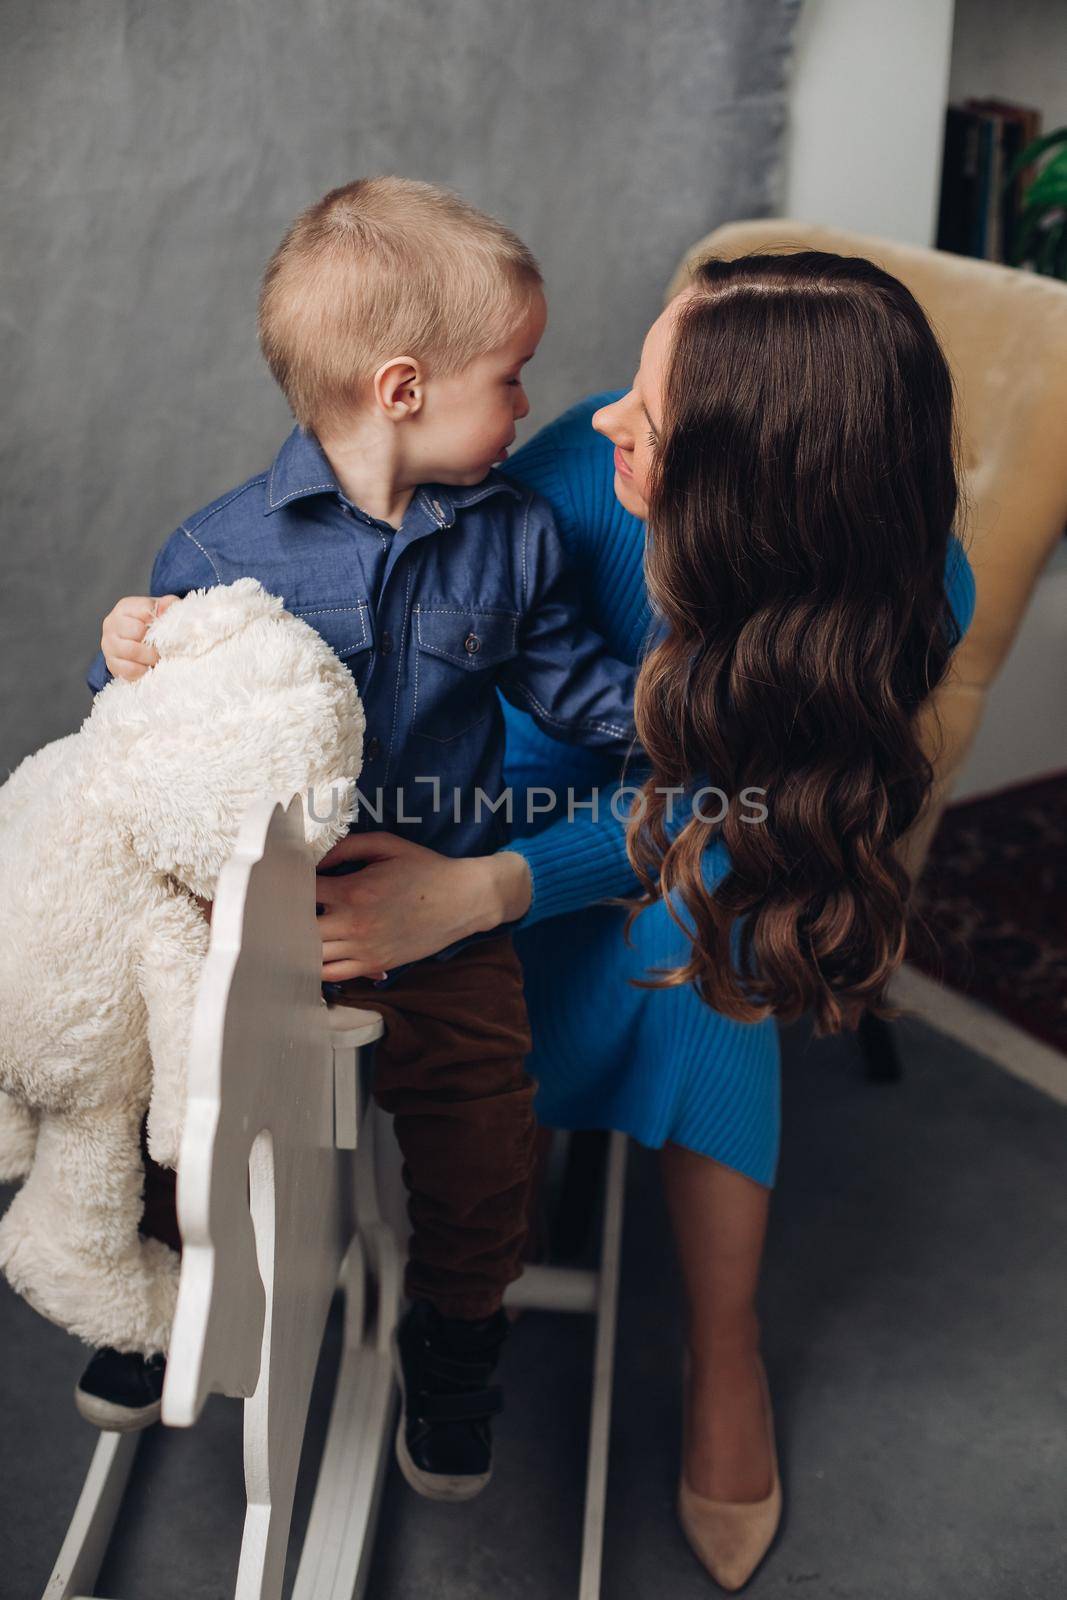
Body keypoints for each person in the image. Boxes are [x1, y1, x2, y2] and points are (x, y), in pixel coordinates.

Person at [294, 250, 977, 1589]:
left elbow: (746, 805)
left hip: (689, 842)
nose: (608, 413)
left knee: (706, 921)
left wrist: (484, 895)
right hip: (488, 785)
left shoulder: (908, 594)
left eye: (647, 415)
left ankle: (727, 1351)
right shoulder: (574, 467)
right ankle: (486, 1164)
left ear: (754, 488)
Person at [89, 176, 639, 1500]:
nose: (526, 407)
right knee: (185, 1081)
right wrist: (126, 660)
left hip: (435, 897)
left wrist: (696, 710)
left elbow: (579, 693)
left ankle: (457, 1340)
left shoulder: (513, 538)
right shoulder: (224, 545)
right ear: (402, 389)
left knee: (476, 1123)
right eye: (510, 378)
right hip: (264, 903)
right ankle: (155, 1282)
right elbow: (146, 741)